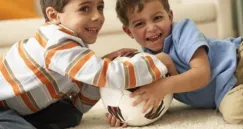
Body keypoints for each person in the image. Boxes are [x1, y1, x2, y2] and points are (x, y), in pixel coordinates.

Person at [0, 0, 175, 129]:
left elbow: (80, 104)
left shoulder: (72, 48)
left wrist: (102, 73)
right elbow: (111, 75)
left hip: (20, 104)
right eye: (84, 8)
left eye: (100, 7)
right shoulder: (57, 44)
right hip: (2, 104)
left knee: (71, 115)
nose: (97, 16)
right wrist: (156, 62)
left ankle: (23, 118)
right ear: (54, 16)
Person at [112, 0, 243, 126]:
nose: (151, 27)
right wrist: (125, 113)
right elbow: (144, 95)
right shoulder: (146, 60)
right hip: (226, 91)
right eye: (140, 24)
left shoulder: (183, 32)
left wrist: (163, 86)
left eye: (157, 18)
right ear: (129, 31)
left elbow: (202, 74)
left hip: (237, 60)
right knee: (235, 113)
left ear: (169, 16)